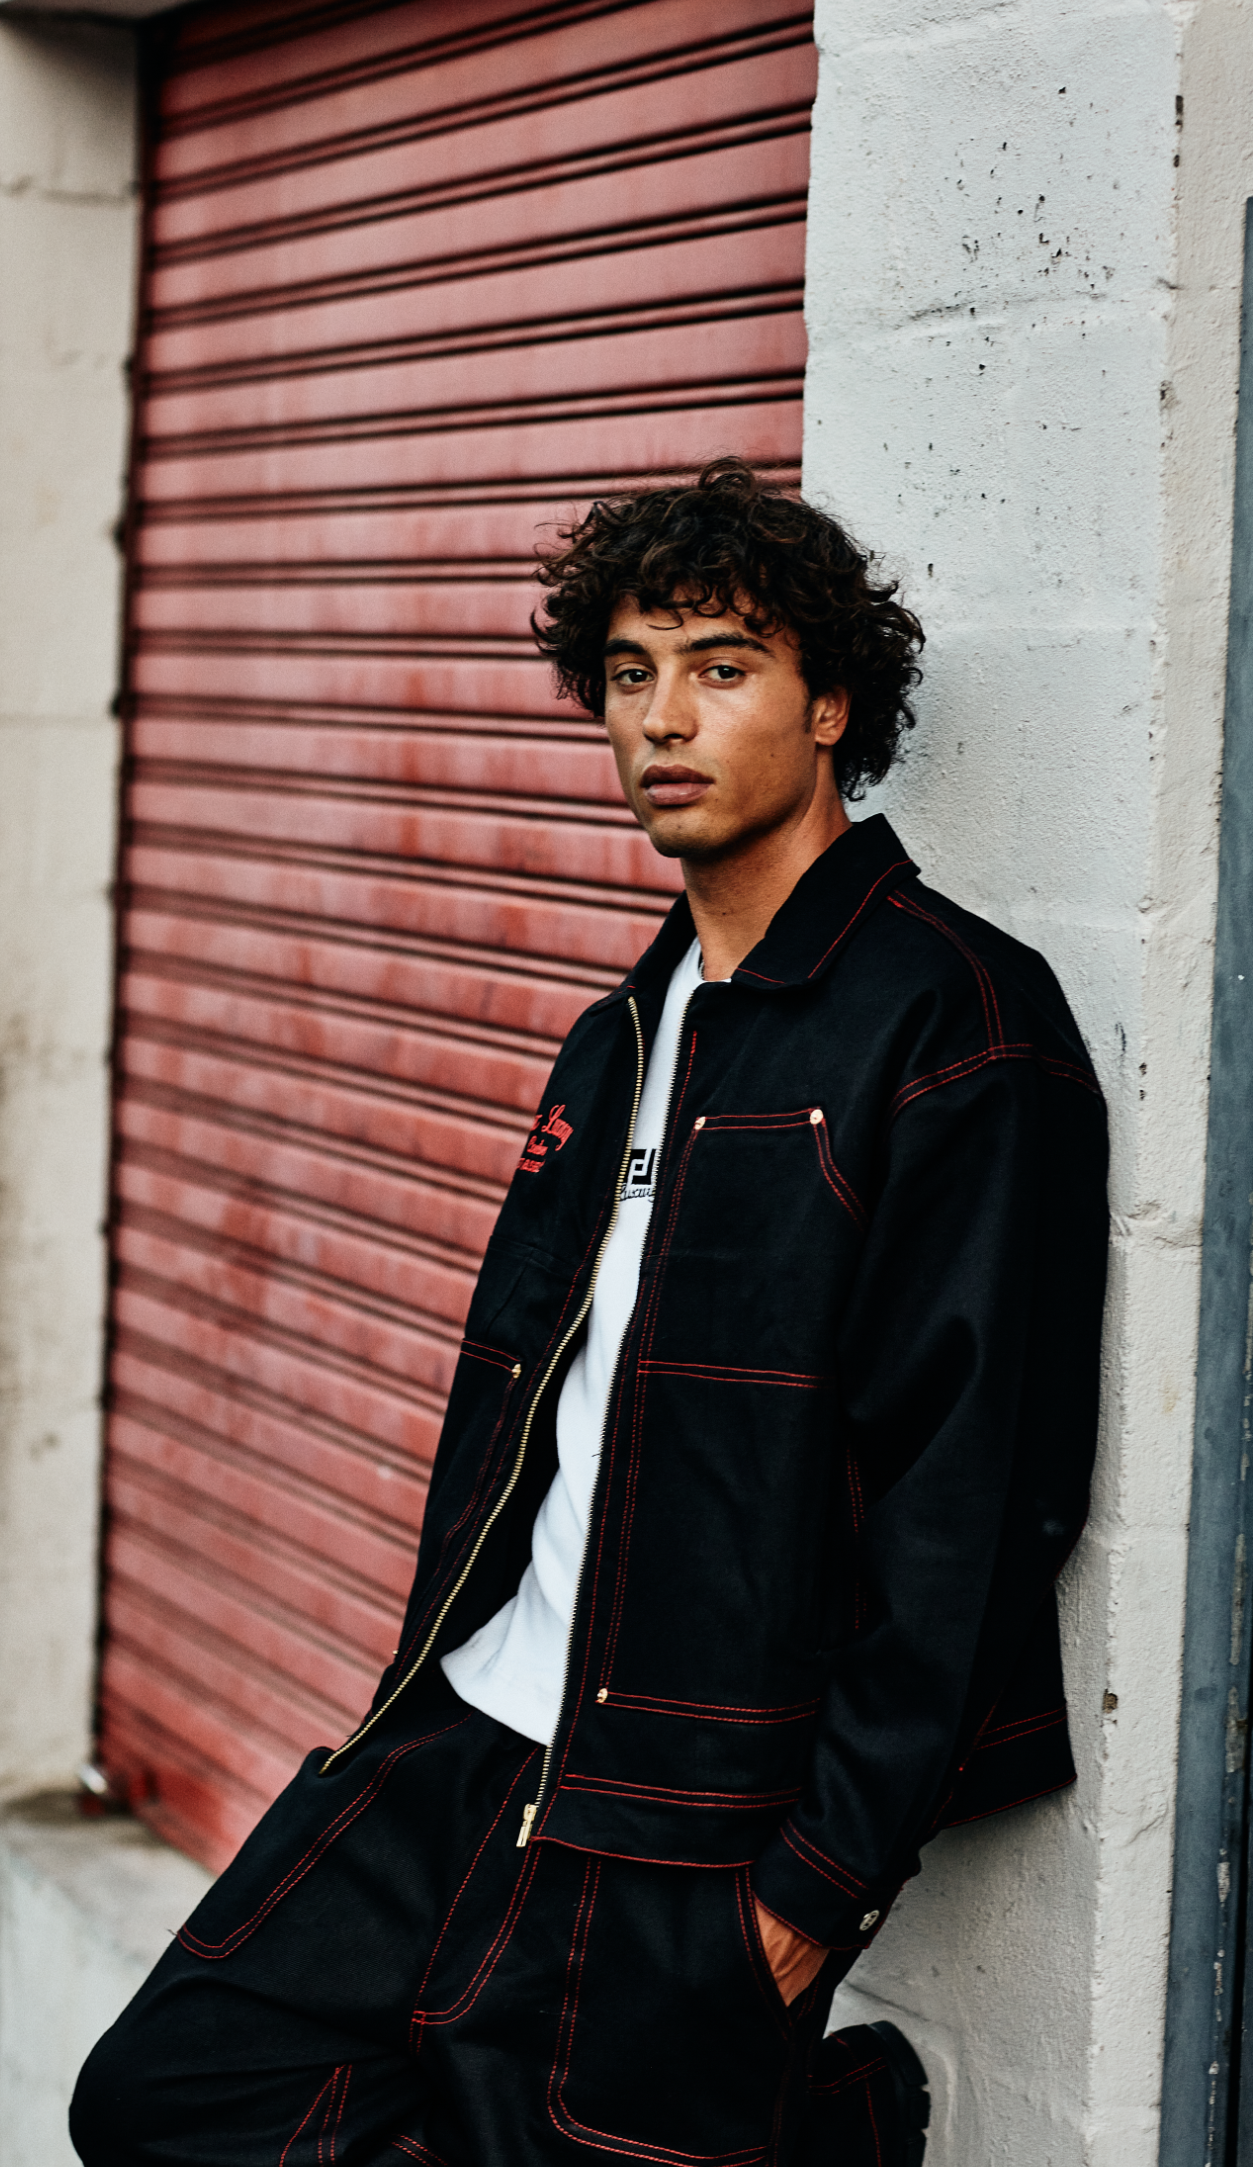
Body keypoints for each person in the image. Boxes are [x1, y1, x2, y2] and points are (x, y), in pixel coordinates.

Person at [72, 458, 1108, 2167]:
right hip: (469, 1738)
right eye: (630, 674)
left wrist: (815, 1889)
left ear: (832, 705)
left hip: (686, 1820)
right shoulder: (623, 1027)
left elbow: (978, 1501)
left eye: (721, 667)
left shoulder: (955, 1021)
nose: (661, 720)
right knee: (163, 2095)